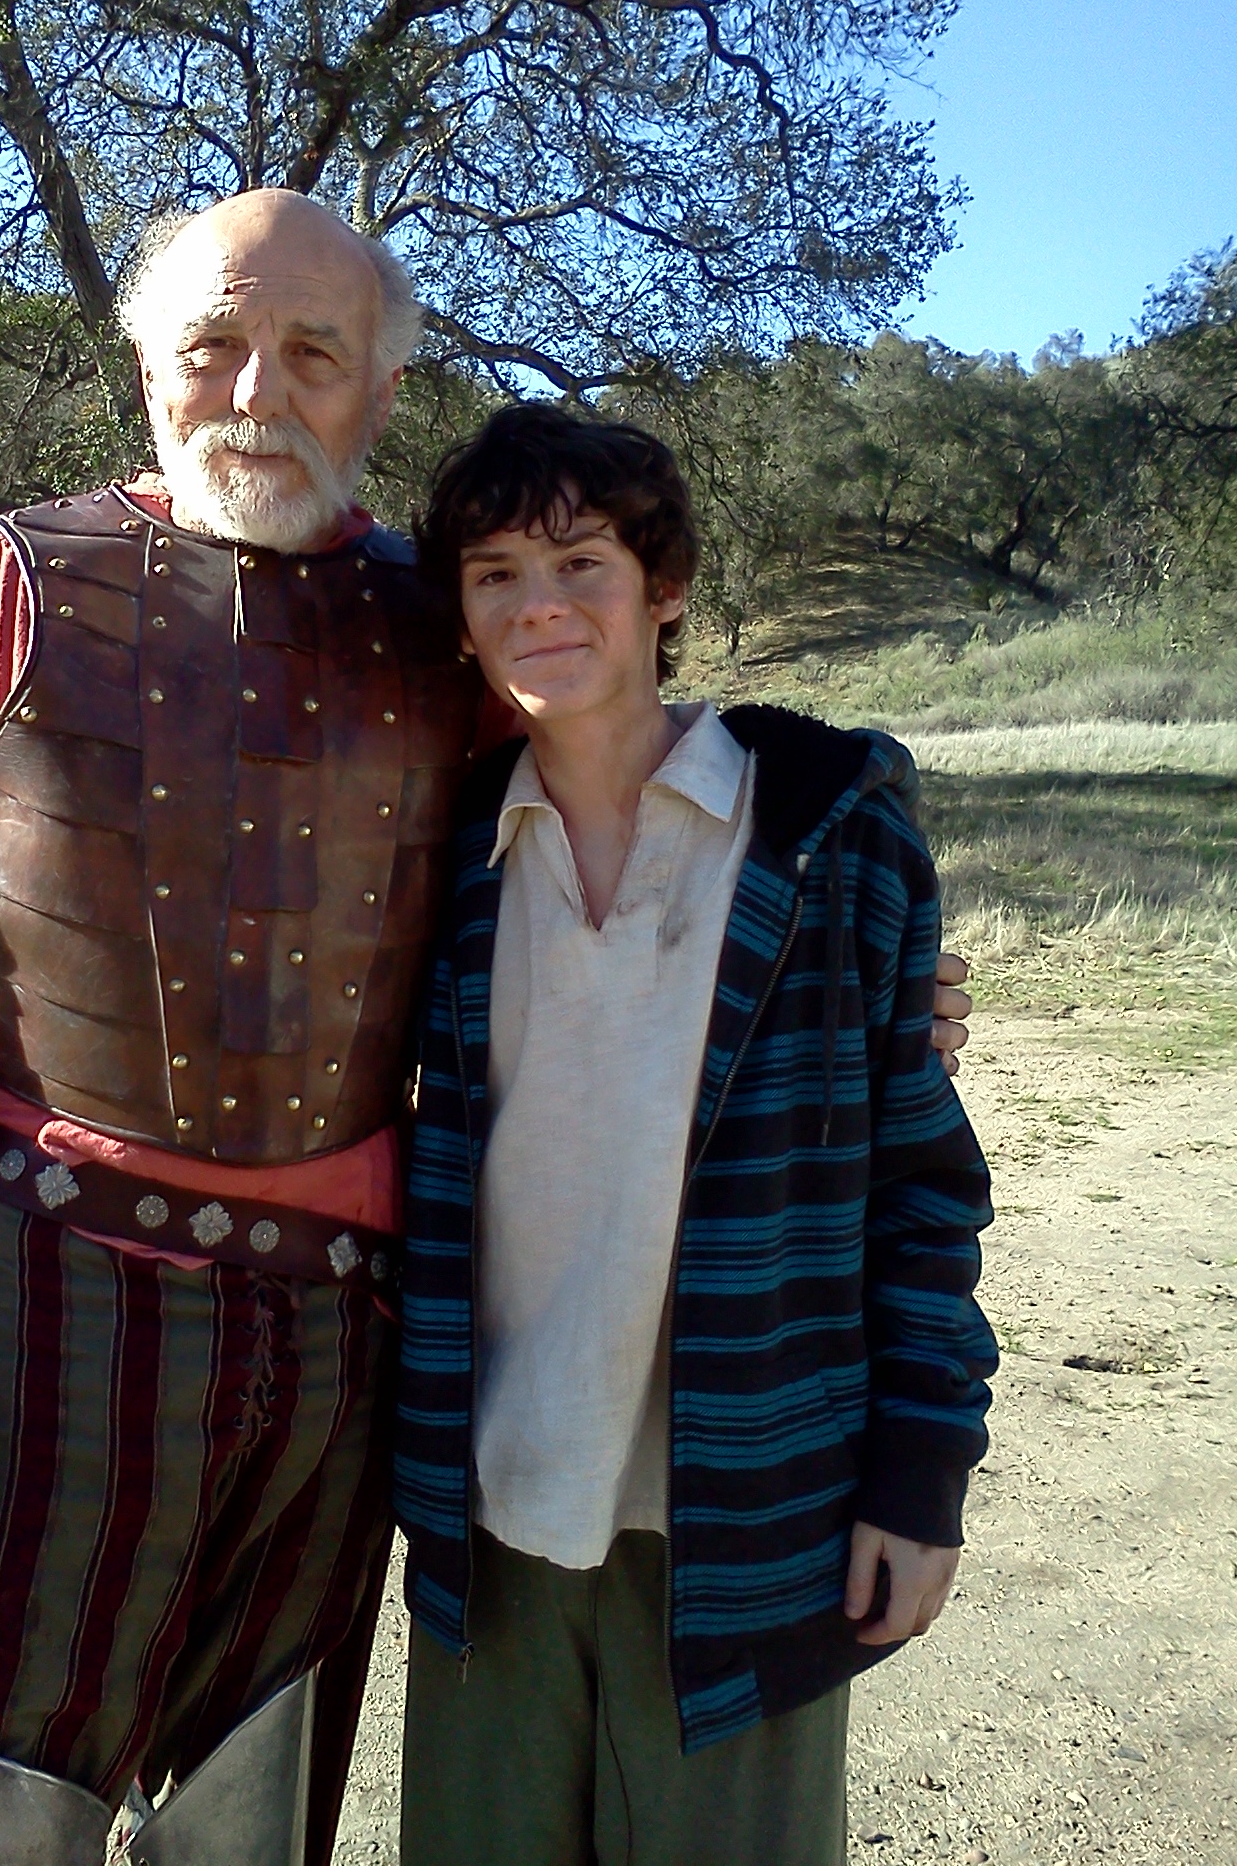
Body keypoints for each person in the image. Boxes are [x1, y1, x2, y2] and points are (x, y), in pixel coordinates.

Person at [0, 193, 974, 1866]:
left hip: (349, 1336)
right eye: (213, 345)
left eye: (314, 351)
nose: (258, 388)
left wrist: (863, 946)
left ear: (380, 393)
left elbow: (614, 742)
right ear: (145, 369)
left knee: (260, 1798)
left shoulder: (435, 622)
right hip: (55, 1291)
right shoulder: (5, 591)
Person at [394, 404, 998, 1866]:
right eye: (492, 575)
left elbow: (922, 1190)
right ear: (460, 620)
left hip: (749, 1508)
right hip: (492, 1511)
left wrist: (921, 1481)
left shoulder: (826, 834)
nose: (538, 604)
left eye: (580, 561)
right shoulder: (439, 862)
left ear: (663, 589)